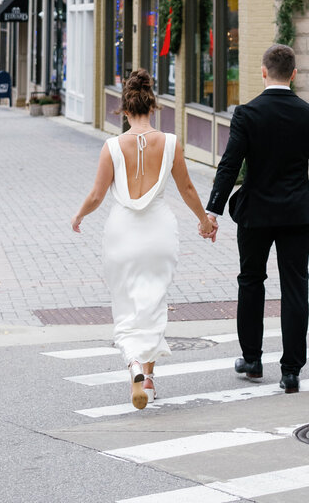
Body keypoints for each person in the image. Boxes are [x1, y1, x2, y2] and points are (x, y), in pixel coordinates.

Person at [71, 67, 217, 410]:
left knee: (126, 304)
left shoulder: (111, 146)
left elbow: (96, 195)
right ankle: (148, 381)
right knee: (152, 301)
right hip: (159, 233)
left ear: (124, 110)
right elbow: (188, 188)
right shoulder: (170, 143)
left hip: (122, 234)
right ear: (153, 107)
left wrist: (79, 216)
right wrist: (204, 221)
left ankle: (134, 364)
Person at [205, 43, 309, 394]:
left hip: (256, 213)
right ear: (294, 73)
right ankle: (291, 371)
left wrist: (212, 210)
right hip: (295, 213)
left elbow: (230, 164)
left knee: (251, 281)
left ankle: (253, 359)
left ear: (263, 71)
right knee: (295, 288)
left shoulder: (248, 114)